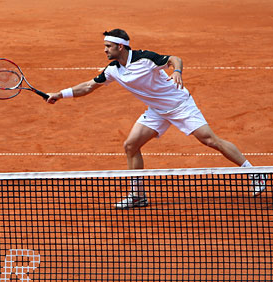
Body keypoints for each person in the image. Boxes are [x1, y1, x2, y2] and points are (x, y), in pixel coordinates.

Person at [46, 28, 267, 209]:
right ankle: (138, 195)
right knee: (131, 145)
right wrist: (60, 94)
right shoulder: (113, 69)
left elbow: (174, 58)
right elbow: (88, 86)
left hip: (180, 105)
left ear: (120, 47)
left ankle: (254, 173)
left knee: (209, 140)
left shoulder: (144, 58)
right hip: (157, 111)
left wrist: (177, 71)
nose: (105, 50)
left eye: (108, 46)